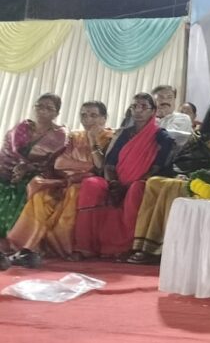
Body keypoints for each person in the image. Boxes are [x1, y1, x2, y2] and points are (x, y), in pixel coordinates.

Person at [128, 96, 210, 264]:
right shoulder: (199, 135)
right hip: (186, 176)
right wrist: (179, 173)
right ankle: (145, 245)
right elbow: (182, 159)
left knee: (176, 186)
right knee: (154, 182)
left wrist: (199, 177)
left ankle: (164, 249)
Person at [6, 101, 112, 266]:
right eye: (84, 115)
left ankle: (68, 248)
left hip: (90, 183)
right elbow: (60, 163)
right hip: (66, 180)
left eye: (93, 115)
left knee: (74, 193)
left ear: (104, 118)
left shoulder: (111, 137)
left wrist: (93, 142)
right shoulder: (74, 137)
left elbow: (101, 165)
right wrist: (87, 167)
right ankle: (28, 246)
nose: (87, 120)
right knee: (41, 195)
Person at [73, 93, 174, 259]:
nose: (138, 110)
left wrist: (132, 183)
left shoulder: (162, 137)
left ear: (153, 111)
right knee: (91, 184)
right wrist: (113, 183)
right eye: (135, 106)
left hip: (141, 181)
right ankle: (86, 246)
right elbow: (109, 164)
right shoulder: (123, 134)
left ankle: (123, 248)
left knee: (136, 189)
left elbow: (158, 167)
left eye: (143, 107)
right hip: (116, 181)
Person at [0, 94, 68, 262]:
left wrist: (27, 168)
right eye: (39, 106)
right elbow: (8, 152)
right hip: (7, 169)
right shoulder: (22, 128)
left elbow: (53, 163)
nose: (42, 111)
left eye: (49, 108)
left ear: (57, 113)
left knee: (26, 187)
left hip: (39, 173)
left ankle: (14, 241)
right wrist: (16, 168)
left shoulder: (59, 135)